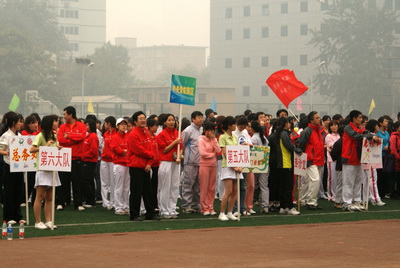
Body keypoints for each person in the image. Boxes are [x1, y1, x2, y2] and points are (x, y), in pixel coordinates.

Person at [341, 110, 379, 211]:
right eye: (360, 117)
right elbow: (356, 136)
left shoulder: (359, 128)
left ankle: (357, 201)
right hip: (349, 158)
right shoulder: (348, 128)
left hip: (359, 158)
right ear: (354, 118)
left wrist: (373, 136)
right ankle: (347, 203)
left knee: (358, 181)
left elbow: (365, 132)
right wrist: (370, 136)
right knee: (348, 182)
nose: (361, 120)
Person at [29, 115, 62, 229]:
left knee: (50, 197)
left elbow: (54, 148)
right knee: (40, 196)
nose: (57, 123)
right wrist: (45, 147)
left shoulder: (54, 135)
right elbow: (32, 149)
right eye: (55, 121)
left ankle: (48, 220)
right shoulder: (41, 135)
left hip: (52, 168)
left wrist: (58, 148)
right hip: (43, 169)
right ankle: (38, 221)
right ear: (50, 123)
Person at [127, 111, 158, 221]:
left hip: (146, 167)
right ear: (135, 121)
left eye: (144, 118)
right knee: (136, 192)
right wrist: (151, 156)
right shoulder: (133, 134)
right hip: (136, 167)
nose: (143, 120)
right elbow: (139, 150)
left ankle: (150, 214)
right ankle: (134, 215)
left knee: (148, 192)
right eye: (140, 118)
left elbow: (150, 147)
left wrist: (149, 163)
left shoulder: (146, 132)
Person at [56, 106, 87, 211]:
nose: (64, 116)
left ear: (70, 115)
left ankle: (78, 204)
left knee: (77, 182)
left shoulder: (82, 126)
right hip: (64, 158)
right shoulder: (62, 127)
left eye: (65, 114)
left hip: (76, 158)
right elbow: (60, 140)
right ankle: (61, 202)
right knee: (63, 181)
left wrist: (68, 137)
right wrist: (73, 140)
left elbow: (81, 137)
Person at [0, 112, 25, 224]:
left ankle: (18, 216)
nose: (21, 123)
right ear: (14, 123)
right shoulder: (6, 136)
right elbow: (0, 149)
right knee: (9, 192)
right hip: (9, 166)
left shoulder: (19, 136)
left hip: (19, 167)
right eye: (19, 121)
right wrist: (7, 152)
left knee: (18, 191)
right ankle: (8, 217)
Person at [297, 111, 325, 210]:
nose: (319, 119)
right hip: (311, 159)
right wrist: (304, 156)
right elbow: (301, 144)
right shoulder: (307, 131)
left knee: (308, 180)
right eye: (317, 118)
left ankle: (304, 199)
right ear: (311, 120)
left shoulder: (320, 130)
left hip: (319, 159)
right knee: (315, 180)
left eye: (319, 117)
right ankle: (311, 201)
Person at [218, 116, 243, 221]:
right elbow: (225, 153)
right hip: (228, 167)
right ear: (229, 125)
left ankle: (230, 212)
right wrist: (234, 166)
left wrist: (239, 166)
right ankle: (221, 213)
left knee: (234, 191)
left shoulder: (235, 137)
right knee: (228, 191)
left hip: (236, 166)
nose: (235, 126)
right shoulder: (222, 137)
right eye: (233, 124)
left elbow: (237, 152)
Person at [157, 114, 182, 219]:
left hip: (175, 163)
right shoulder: (161, 135)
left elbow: (181, 148)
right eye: (169, 120)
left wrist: (179, 157)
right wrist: (174, 142)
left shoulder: (178, 133)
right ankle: (163, 209)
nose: (172, 122)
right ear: (165, 122)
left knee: (174, 187)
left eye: (173, 120)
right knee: (165, 187)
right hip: (165, 162)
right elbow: (164, 150)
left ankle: (172, 208)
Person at [274, 117, 301, 215]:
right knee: (288, 187)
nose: (290, 124)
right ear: (285, 124)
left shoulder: (279, 134)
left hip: (282, 164)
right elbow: (290, 146)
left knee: (283, 186)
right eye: (288, 123)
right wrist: (297, 149)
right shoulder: (284, 134)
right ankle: (289, 207)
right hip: (286, 163)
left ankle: (283, 206)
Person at [181, 111, 203, 213]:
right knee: (188, 184)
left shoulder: (202, 130)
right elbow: (182, 145)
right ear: (193, 119)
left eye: (201, 117)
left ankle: (196, 204)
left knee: (198, 186)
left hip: (201, 162)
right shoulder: (187, 131)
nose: (201, 119)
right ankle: (186, 205)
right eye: (198, 117)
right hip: (190, 162)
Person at [198, 121, 221, 216]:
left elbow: (219, 150)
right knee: (204, 187)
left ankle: (210, 207)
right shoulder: (201, 139)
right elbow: (202, 153)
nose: (209, 132)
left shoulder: (213, 139)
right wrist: (212, 154)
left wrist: (214, 139)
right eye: (207, 130)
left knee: (212, 188)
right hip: (204, 165)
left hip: (213, 165)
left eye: (211, 130)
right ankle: (204, 208)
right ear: (204, 130)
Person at [232, 116, 253, 216]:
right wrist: (241, 145)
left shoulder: (244, 132)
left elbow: (250, 142)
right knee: (235, 186)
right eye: (240, 127)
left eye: (243, 127)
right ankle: (235, 209)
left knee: (243, 186)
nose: (242, 129)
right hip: (235, 160)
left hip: (244, 160)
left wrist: (248, 144)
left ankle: (243, 208)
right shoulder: (233, 132)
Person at [249, 120, 270, 213]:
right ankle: (265, 206)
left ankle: (250, 204)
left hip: (255, 165)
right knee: (264, 186)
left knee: (253, 186)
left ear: (252, 129)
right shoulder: (264, 138)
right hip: (264, 164)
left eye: (249, 127)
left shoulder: (253, 139)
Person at [110, 118, 130, 215]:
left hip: (127, 164)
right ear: (117, 126)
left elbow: (130, 148)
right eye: (121, 124)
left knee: (126, 187)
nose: (124, 126)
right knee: (119, 187)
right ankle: (118, 207)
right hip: (119, 164)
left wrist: (124, 151)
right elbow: (117, 150)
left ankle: (125, 206)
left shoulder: (128, 136)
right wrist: (126, 151)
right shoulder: (114, 137)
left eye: (125, 124)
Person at [20, 114, 40, 206]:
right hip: (27, 162)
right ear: (28, 124)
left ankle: (35, 200)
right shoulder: (23, 133)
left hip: (37, 161)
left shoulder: (38, 134)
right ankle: (24, 199)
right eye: (33, 123)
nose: (35, 124)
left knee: (37, 182)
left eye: (36, 122)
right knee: (29, 181)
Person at [100, 116, 117, 210]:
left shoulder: (117, 134)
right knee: (104, 182)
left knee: (113, 182)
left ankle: (113, 202)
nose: (104, 125)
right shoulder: (105, 134)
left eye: (105, 123)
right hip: (104, 160)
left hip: (113, 161)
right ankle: (105, 202)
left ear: (109, 123)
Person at [81, 119, 99, 208]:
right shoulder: (88, 136)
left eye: (87, 125)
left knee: (86, 181)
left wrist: (83, 156)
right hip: (88, 160)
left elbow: (93, 151)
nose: (86, 127)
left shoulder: (93, 136)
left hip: (90, 161)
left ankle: (90, 200)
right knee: (89, 181)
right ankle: (91, 200)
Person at [376, 116, 392, 198]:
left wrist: (387, 146)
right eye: (385, 121)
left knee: (386, 174)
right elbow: (376, 144)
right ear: (380, 123)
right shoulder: (377, 133)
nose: (387, 123)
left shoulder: (387, 133)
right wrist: (383, 148)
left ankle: (385, 192)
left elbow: (389, 142)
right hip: (379, 156)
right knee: (380, 174)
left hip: (386, 156)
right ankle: (379, 192)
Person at [147, 118, 160, 211]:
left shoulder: (155, 137)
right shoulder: (146, 137)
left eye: (157, 126)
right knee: (149, 187)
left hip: (156, 165)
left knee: (155, 186)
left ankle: (155, 204)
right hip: (149, 164)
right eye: (155, 126)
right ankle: (149, 205)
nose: (156, 128)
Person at [325, 120, 340, 202]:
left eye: (335, 125)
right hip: (331, 159)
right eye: (332, 125)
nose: (334, 127)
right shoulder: (328, 136)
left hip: (339, 159)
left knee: (338, 178)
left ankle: (337, 194)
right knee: (332, 178)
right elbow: (332, 147)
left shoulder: (340, 135)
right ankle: (331, 195)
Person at [390, 121, 400, 199]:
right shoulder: (394, 136)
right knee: (396, 177)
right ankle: (395, 193)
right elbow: (393, 148)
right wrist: (398, 157)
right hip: (397, 160)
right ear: (397, 127)